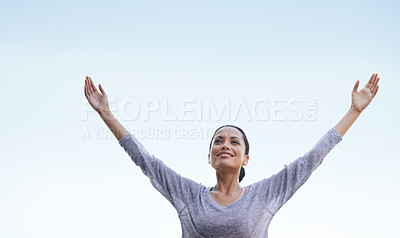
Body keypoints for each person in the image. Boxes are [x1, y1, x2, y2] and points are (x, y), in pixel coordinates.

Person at [84, 74, 380, 238]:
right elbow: (145, 160)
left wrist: (354, 111)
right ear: (210, 156)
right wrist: (105, 113)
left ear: (245, 159)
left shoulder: (265, 194)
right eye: (218, 141)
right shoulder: (188, 194)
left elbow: (312, 158)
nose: (225, 145)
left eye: (234, 141)